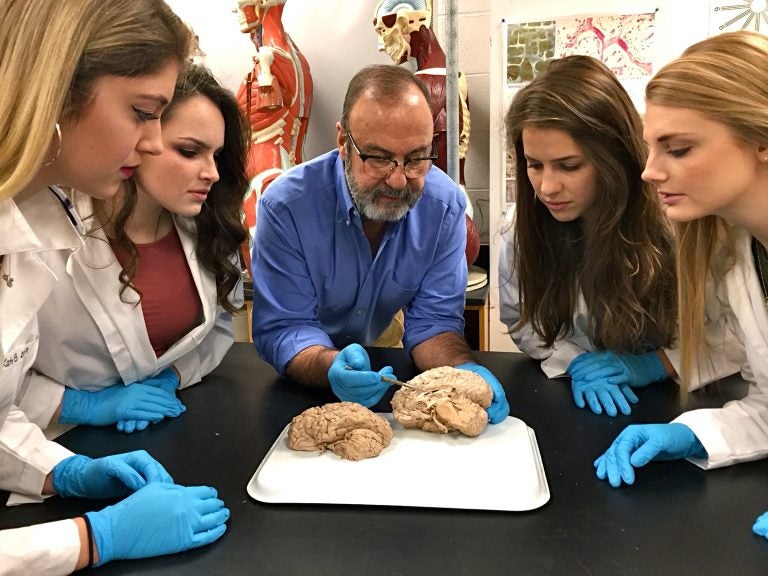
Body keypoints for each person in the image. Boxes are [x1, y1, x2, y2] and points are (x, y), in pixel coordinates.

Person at [0, 1, 228, 573]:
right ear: (54, 89)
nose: (152, 142)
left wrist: (61, 471)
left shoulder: (34, 226)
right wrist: (91, 539)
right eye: (143, 112)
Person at [250, 64, 509, 423]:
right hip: (301, 380)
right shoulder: (287, 207)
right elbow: (286, 327)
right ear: (343, 142)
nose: (400, 180)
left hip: (383, 366)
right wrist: (328, 366)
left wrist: (464, 371)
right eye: (380, 159)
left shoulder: (443, 206)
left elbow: (434, 324)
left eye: (417, 158)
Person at [590, 31, 768, 538]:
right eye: (652, 147)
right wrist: (689, 433)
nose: (649, 172)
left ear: (762, 140)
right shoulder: (739, 253)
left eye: (680, 148)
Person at [16, 63, 249, 438]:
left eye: (216, 156)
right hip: (51, 439)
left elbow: (217, 329)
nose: (212, 173)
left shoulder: (207, 227)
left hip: (169, 425)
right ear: (141, 137)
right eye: (189, 151)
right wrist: (78, 405)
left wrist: (172, 377)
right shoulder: (34, 229)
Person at [498, 55, 677, 417]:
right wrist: (571, 360)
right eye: (535, 165)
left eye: (569, 165)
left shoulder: (673, 222)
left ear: (615, 157)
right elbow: (522, 320)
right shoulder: (521, 229)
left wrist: (660, 362)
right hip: (575, 396)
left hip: (673, 400)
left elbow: (723, 335)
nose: (547, 187)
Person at [236, 0, 313, 245]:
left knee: (266, 245)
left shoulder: (276, 56)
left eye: (243, 4)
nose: (239, 11)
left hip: (268, 166)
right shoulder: (278, 57)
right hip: (267, 163)